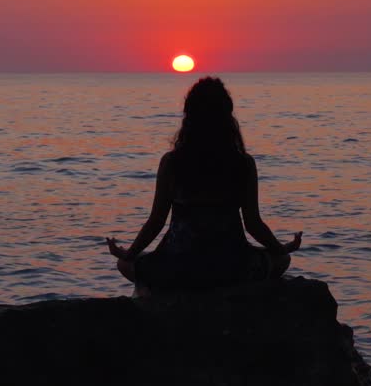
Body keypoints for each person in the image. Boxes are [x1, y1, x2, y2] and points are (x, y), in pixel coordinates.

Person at [106, 77, 302, 291]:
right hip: (231, 268)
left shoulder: (172, 163)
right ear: (227, 118)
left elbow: (156, 221)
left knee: (124, 264)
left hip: (179, 269)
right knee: (283, 261)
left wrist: (130, 253)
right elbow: (253, 224)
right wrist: (281, 249)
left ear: (189, 117)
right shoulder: (243, 164)